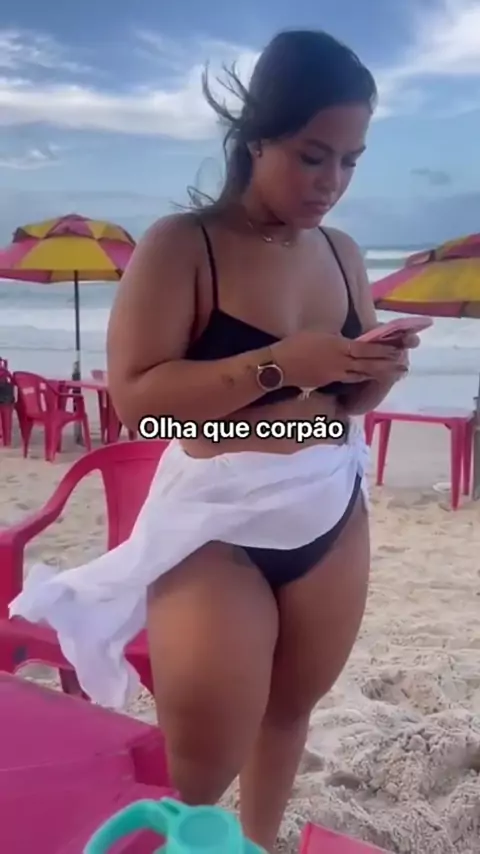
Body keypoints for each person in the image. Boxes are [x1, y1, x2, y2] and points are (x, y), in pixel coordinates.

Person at [10, 29, 419, 853]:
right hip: (216, 523)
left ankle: (257, 843)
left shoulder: (341, 253)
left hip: (330, 505)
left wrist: (375, 371)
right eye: (312, 156)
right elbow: (140, 407)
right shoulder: (183, 245)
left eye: (351, 161)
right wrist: (279, 365)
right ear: (257, 136)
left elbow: (342, 405)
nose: (332, 183)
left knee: (290, 713)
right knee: (201, 764)